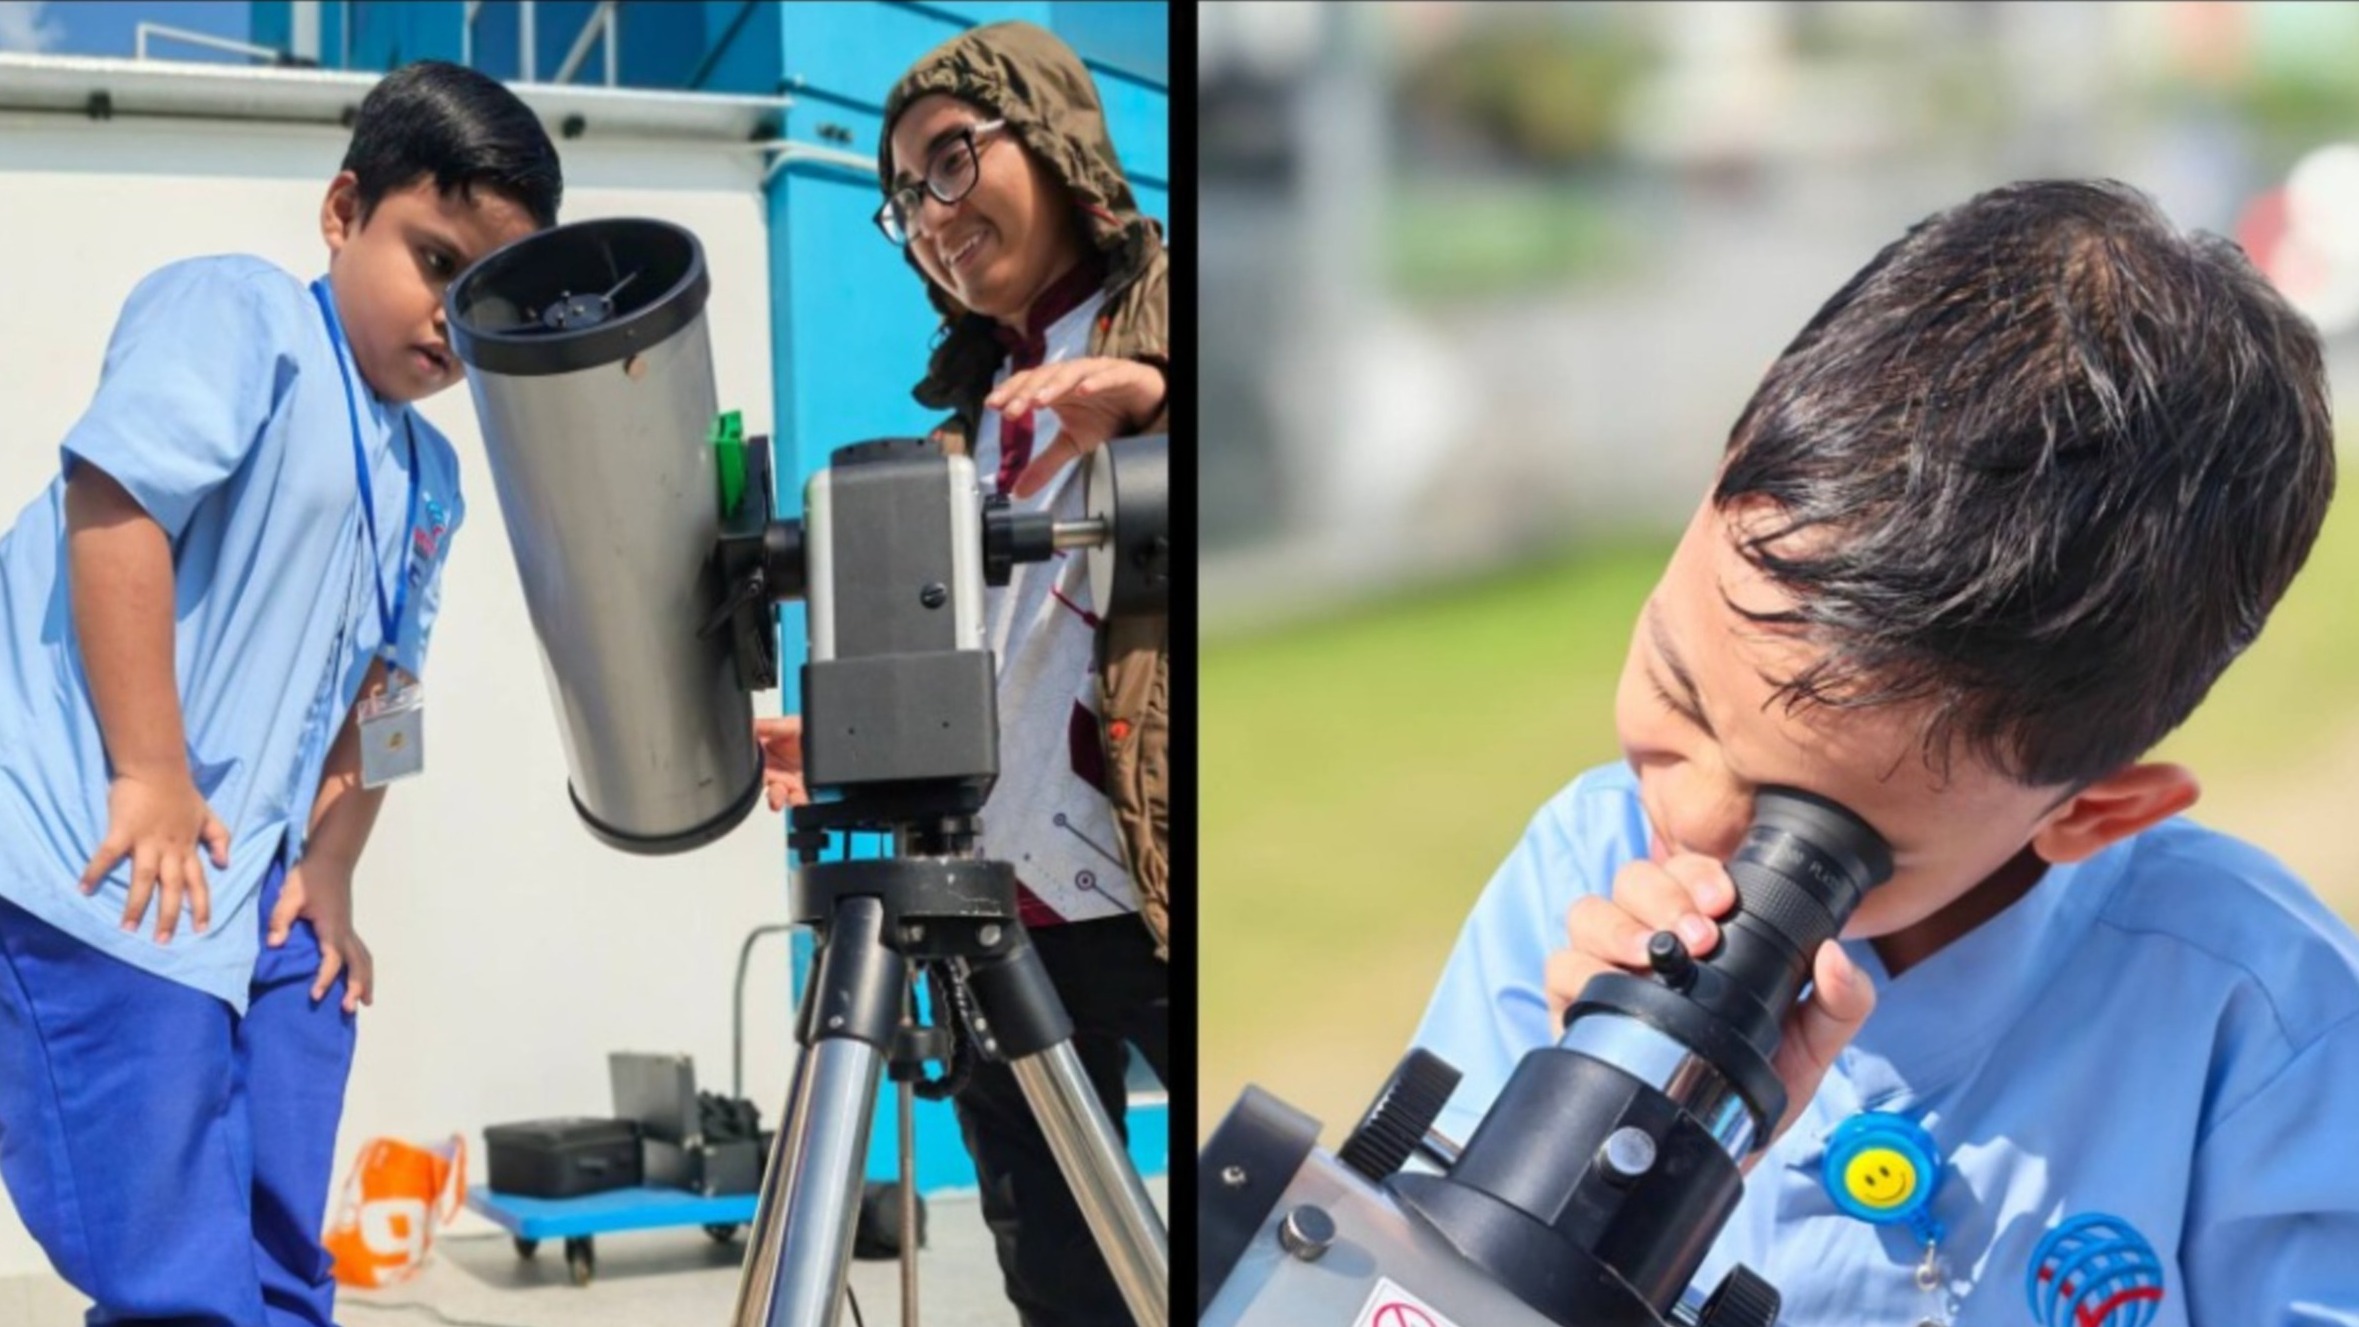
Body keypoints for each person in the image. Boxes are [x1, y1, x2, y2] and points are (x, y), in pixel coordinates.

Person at [1411, 180, 2359, 1326]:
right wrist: (1594, 1143)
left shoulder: (2254, 1014)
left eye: (1823, 836)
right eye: (1675, 689)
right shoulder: (1580, 868)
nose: (1702, 824)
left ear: (2091, 807)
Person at [0, 62, 558, 1324]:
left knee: (279, 1255)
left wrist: (338, 864)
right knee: (177, 1284)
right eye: (433, 259)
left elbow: (391, 689)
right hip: (103, 855)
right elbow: (116, 498)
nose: (451, 317)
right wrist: (150, 766)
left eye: (487, 295)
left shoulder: (429, 475)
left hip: (249, 889)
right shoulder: (244, 316)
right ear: (342, 209)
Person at [757, 19, 1169, 1327]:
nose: (930, 214)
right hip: (1006, 905)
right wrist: (846, 742)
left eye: (949, 163)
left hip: (1156, 893)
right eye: (902, 198)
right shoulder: (964, 421)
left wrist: (1159, 415)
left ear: (1049, 138)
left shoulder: (1175, 318)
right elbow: (995, 654)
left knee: (1257, 1221)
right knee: (1056, 1272)